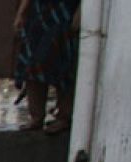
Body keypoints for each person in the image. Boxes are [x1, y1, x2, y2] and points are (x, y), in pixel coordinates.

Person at [13, 0, 80, 134]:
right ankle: (36, 117)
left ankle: (64, 117)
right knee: (32, 65)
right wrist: (21, 13)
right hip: (38, 13)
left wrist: (79, 14)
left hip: (64, 14)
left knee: (63, 65)